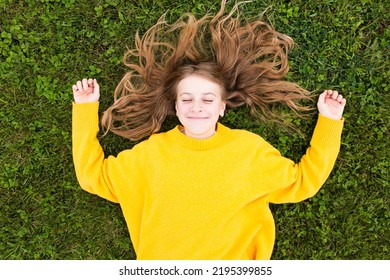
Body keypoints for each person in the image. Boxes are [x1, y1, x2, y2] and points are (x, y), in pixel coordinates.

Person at [72, 0, 346, 260]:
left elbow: (302, 182)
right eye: (187, 99)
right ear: (176, 108)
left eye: (208, 99)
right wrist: (85, 109)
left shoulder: (248, 150)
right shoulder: (149, 155)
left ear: (222, 107)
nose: (197, 107)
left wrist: (329, 121)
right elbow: (92, 177)